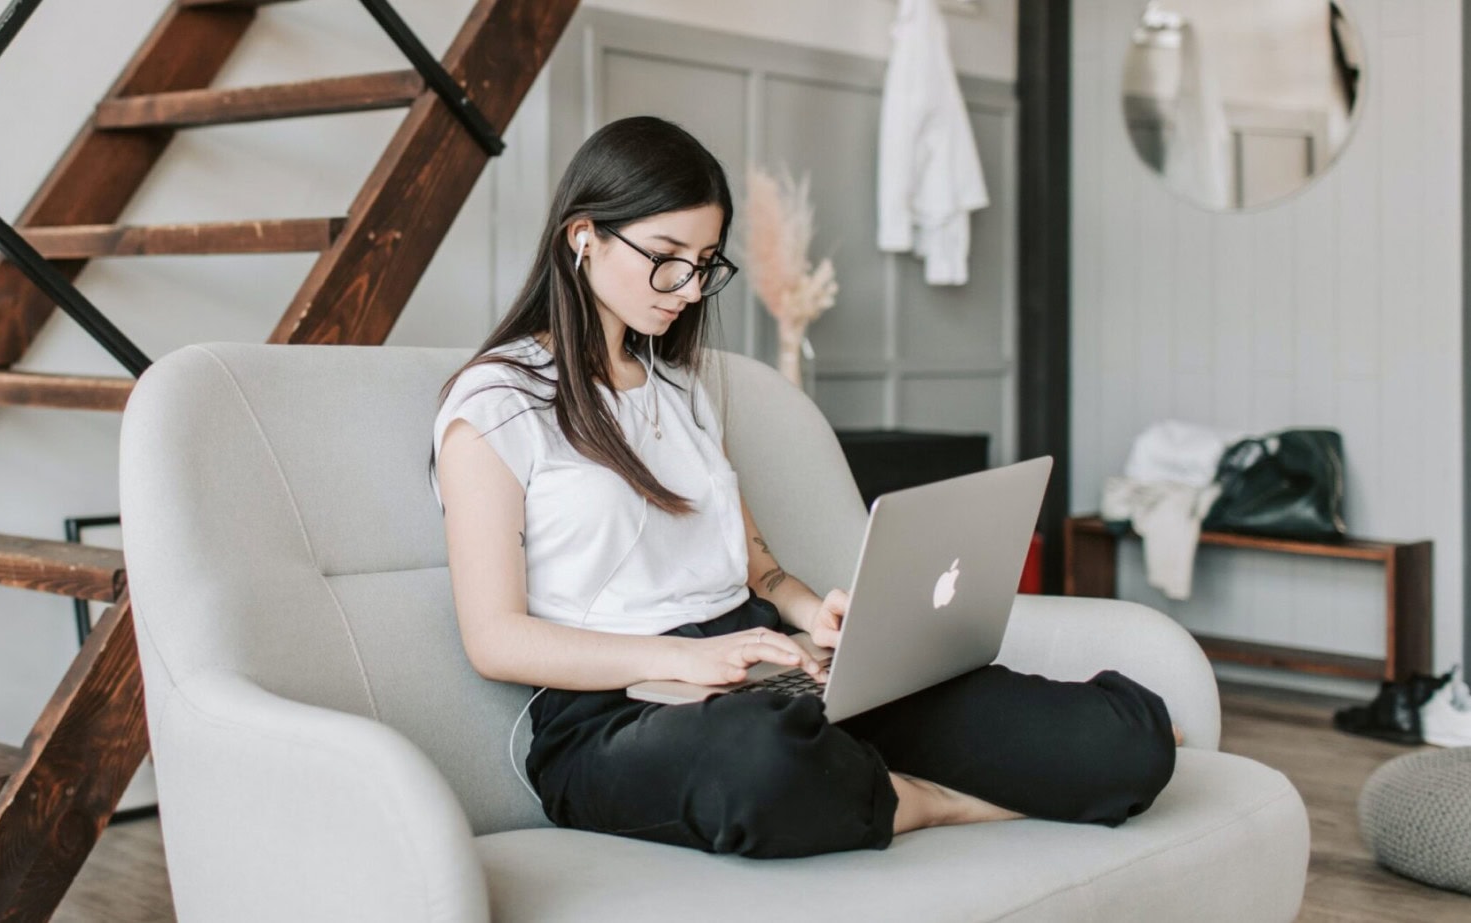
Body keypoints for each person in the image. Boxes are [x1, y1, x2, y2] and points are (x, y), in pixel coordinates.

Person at [430, 116, 1178, 860]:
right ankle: (933, 802)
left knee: (1118, 741)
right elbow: (494, 638)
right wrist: (674, 658)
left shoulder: (683, 389)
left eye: (705, 263)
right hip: (616, 718)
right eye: (665, 259)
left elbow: (760, 567)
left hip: (766, 672)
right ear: (582, 235)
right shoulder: (495, 405)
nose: (689, 289)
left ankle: (879, 777)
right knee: (766, 763)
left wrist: (814, 612)